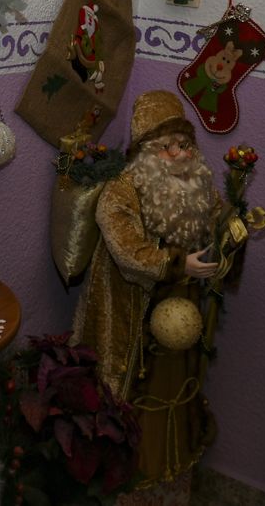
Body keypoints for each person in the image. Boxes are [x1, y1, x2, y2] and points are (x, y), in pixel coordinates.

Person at [71, 89, 224, 497]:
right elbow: (127, 249)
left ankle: (169, 461)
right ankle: (126, 473)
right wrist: (177, 264)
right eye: (165, 147)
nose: (177, 155)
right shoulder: (122, 191)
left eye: (183, 144)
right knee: (126, 394)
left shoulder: (196, 183)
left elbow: (217, 217)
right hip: (131, 310)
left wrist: (233, 227)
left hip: (180, 313)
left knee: (170, 389)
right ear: (145, 152)